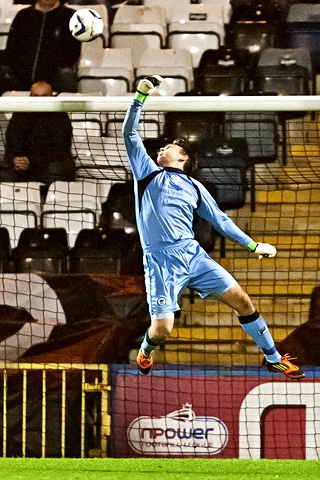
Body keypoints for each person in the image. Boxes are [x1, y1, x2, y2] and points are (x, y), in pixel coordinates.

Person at [122, 75, 305, 380]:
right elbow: (129, 134)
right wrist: (140, 96)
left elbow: (220, 220)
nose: (161, 148)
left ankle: (272, 357)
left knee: (242, 301)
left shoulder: (195, 187)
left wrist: (252, 245)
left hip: (194, 256)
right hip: (160, 261)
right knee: (163, 330)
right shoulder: (147, 174)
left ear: (182, 158)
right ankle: (145, 350)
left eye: (168, 146)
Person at [0, 0, 81, 95]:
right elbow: (11, 50)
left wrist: (43, 81)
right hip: (22, 77)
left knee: (67, 75)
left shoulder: (71, 17)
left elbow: (71, 54)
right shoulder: (23, 16)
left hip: (55, 79)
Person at [0, 81, 76, 184]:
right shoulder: (20, 114)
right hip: (24, 165)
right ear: (30, 97)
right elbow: (13, 141)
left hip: (48, 164)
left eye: (44, 96)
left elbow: (59, 150)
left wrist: (31, 161)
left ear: (51, 97)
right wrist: (16, 160)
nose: (40, 100)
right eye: (36, 96)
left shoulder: (60, 116)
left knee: (55, 169)